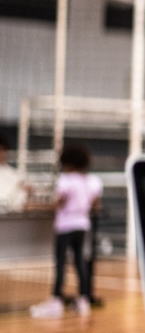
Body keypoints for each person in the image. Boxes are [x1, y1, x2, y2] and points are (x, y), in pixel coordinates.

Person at [30, 141, 104, 318]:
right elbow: (95, 206)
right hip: (82, 225)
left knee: (61, 263)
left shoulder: (66, 181)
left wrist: (34, 206)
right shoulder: (93, 181)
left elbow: (58, 204)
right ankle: (83, 300)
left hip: (65, 226)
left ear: (68, 163)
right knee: (80, 262)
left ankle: (56, 300)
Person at [0, 134, 32, 213]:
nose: (1, 154)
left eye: (3, 150)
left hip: (10, 218)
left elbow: (19, 202)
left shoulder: (14, 175)